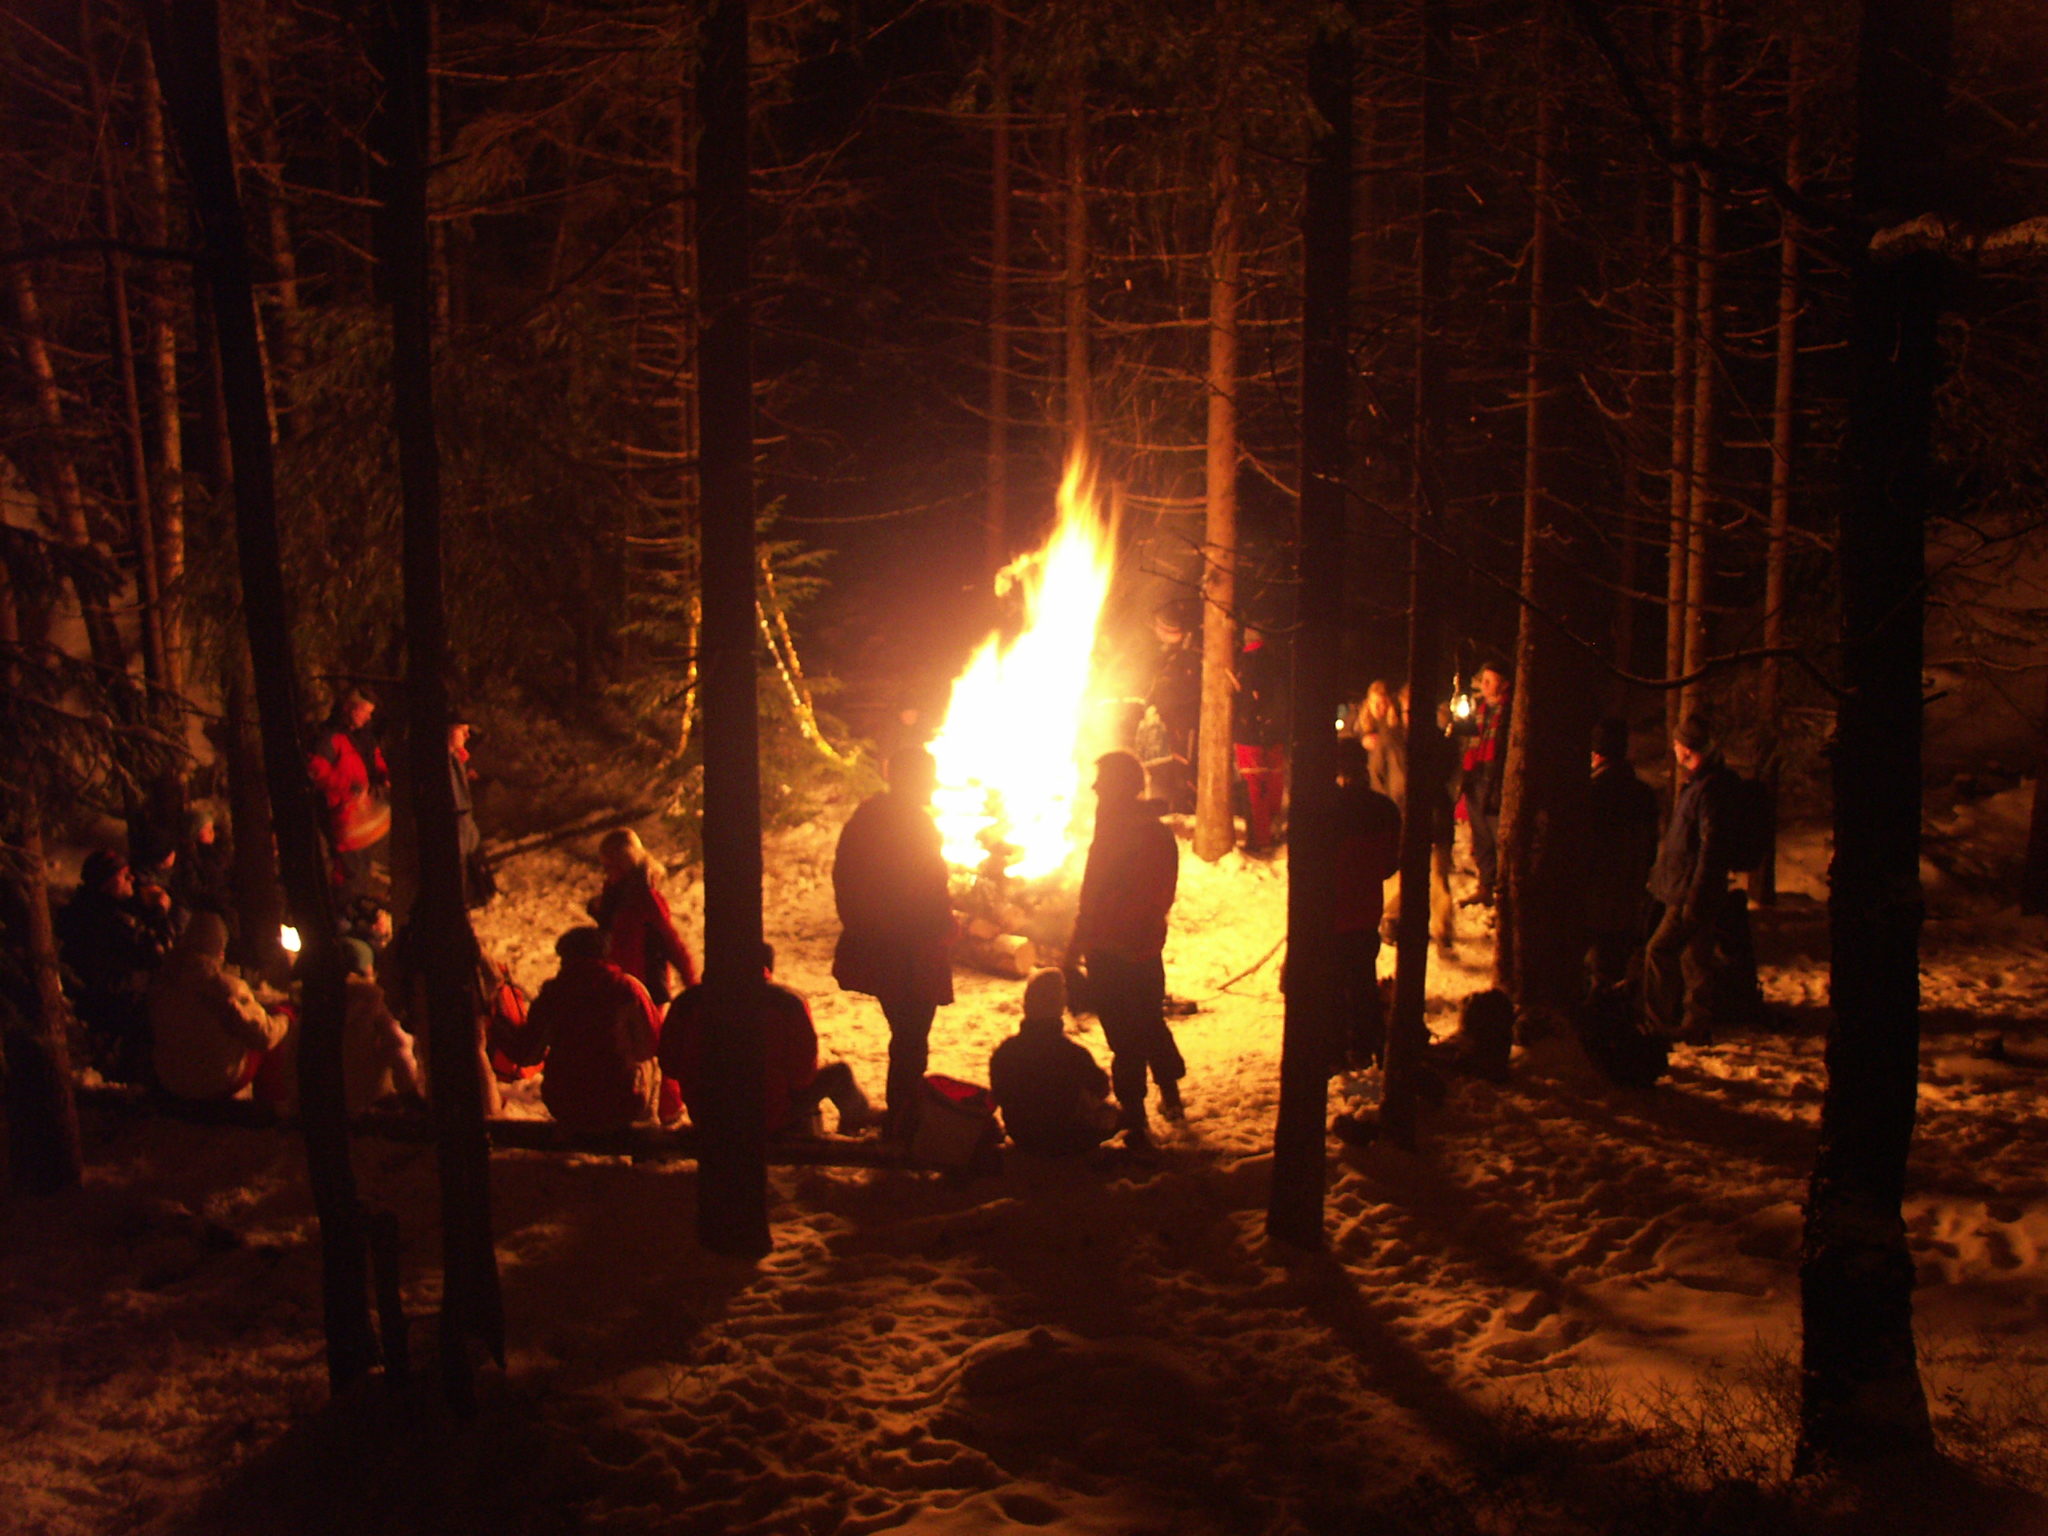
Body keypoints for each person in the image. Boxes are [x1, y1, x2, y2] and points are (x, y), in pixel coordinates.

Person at [833, 745, 957, 1140]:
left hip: (884, 946)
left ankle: (901, 1117)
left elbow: (845, 879)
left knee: (905, 1035)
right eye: (927, 777)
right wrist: (941, 927)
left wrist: (861, 928)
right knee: (910, 1039)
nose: (931, 785)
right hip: (908, 950)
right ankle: (901, 1125)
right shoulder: (913, 825)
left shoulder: (866, 818)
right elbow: (928, 888)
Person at [1068, 748, 1185, 1147]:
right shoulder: (1127, 827)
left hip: (1123, 947)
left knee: (1131, 1032)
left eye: (1103, 780)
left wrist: (1098, 931)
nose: (1095, 787)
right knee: (1144, 1024)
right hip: (1121, 944)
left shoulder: (1137, 831)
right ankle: (1164, 1096)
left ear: (1120, 784)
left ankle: (1137, 1112)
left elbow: (1140, 892)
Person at [661, 943, 879, 1137]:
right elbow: (802, 1075)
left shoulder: (687, 1003)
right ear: (766, 967)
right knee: (840, 1074)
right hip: (767, 1115)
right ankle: (856, 1120)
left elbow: (669, 1064)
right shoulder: (786, 1003)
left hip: (708, 1115)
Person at [1644, 715, 1737, 1042]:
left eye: (1676, 743)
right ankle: (1696, 1023)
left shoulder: (1708, 788)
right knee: (1694, 956)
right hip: (1689, 888)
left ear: (1686, 748)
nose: (1673, 748)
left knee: (1659, 951)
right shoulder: (1700, 782)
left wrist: (1695, 895)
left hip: (1691, 891)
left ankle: (1657, 1022)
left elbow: (1711, 848)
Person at [523, 926, 664, 1134]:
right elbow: (649, 1048)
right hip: (620, 1103)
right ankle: (647, 1131)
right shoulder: (627, 988)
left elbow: (529, 1054)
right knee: (651, 1063)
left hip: (563, 1103)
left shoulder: (553, 992)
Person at [149, 911, 292, 1104]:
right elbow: (265, 1036)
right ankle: (270, 1103)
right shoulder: (223, 987)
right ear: (220, 949)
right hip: (213, 1082)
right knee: (273, 1035)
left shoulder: (163, 981)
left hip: (170, 1079)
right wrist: (285, 1016)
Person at [56, 850, 169, 1083]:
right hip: (114, 997)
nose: (133, 879)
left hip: (104, 992)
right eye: (124, 875)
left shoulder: (93, 907)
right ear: (107, 883)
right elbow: (155, 952)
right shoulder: (105, 917)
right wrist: (161, 912)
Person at [1331, 737, 1404, 1067]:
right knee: (1361, 978)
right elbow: (1391, 863)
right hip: (1364, 908)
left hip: (1331, 910)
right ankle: (1363, 1044)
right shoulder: (1384, 809)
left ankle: (1337, 1048)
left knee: (1334, 982)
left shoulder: (1325, 810)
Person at [989, 967, 1117, 1156]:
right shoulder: (1073, 1054)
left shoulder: (1005, 1051)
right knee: (1116, 1115)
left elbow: (999, 1094)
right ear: (1060, 1005)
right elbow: (1101, 1087)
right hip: (1066, 1137)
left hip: (1022, 1135)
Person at [1584, 717, 1661, 990]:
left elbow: (1587, 846)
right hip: (1629, 891)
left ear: (1595, 754)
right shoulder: (1643, 794)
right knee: (1616, 957)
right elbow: (1651, 844)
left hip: (1597, 894)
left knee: (1596, 959)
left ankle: (1596, 1010)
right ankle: (1613, 1007)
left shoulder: (1592, 795)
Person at [588, 828, 697, 1008]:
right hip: (617, 985)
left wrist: (692, 983)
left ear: (624, 862)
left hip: (645, 990)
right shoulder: (612, 895)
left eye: (610, 866)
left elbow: (671, 942)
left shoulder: (646, 900)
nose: (606, 873)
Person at [307, 688, 390, 898]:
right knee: (348, 872)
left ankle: (356, 915)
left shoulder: (364, 737)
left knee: (361, 870)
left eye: (370, 713)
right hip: (341, 817)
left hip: (362, 817)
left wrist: (384, 775)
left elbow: (375, 759)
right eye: (364, 711)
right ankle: (344, 915)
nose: (368, 717)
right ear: (349, 708)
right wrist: (348, 787)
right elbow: (317, 771)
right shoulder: (330, 737)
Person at [340, 936, 422, 1114]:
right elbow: (398, 1047)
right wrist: (409, 1092)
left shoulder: (317, 1004)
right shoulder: (373, 1001)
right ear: (367, 968)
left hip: (325, 1102)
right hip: (370, 1100)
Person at [1452, 659, 1511, 907]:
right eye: (1483, 680)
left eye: (1489, 680)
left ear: (1503, 683)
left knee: (1499, 836)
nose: (1484, 685)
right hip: (1476, 776)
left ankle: (1505, 892)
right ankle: (1486, 885)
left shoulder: (1510, 712)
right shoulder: (1480, 710)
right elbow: (1465, 740)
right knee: (1482, 837)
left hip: (1496, 779)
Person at [1141, 596, 1202, 813]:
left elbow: (1185, 693)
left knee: (1179, 770)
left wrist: (1166, 712)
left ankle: (1181, 808)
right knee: (1162, 768)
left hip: (1180, 726)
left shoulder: (1188, 657)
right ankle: (1168, 806)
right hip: (1165, 722)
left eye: (1161, 628)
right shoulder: (1168, 654)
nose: (1157, 632)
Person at [1233, 625, 1288, 851]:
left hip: (1249, 737)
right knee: (1273, 784)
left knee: (1253, 787)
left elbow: (1245, 701)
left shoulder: (1245, 663)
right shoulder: (1278, 663)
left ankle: (1260, 839)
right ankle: (1272, 829)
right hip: (1275, 736)